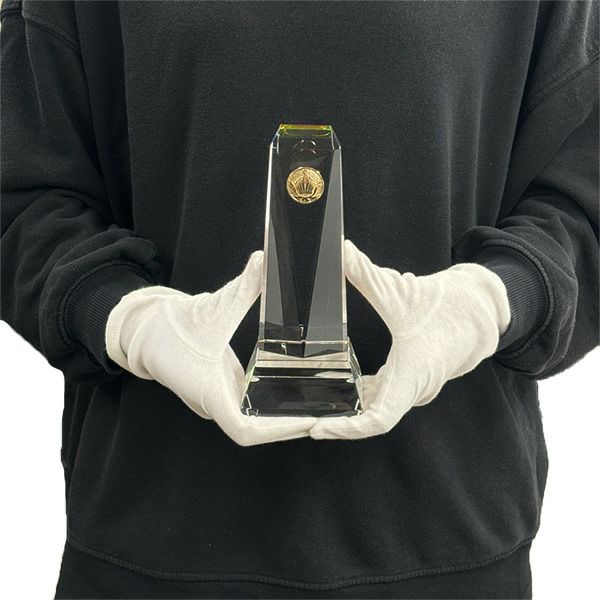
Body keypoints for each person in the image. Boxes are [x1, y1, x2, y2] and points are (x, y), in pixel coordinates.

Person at [1, 1, 598, 598]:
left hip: (451, 536)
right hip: (151, 533)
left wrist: (496, 298)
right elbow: (23, 189)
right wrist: (124, 318)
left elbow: (582, 190)